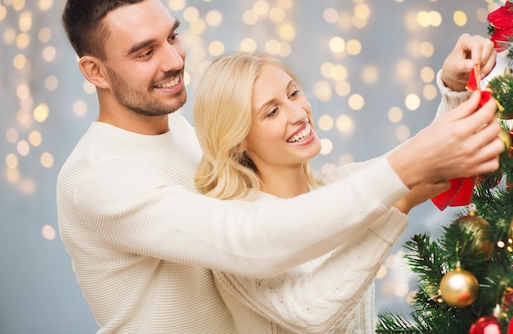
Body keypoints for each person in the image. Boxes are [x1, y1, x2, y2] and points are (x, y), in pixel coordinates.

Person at [56, 0, 503, 334]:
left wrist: (455, 94)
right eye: (144, 52)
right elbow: (249, 241)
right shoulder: (99, 176)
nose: (173, 60)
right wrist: (405, 176)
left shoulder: (177, 127)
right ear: (95, 71)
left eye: (172, 37)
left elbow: (324, 192)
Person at [191, 51, 488, 333]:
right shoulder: (233, 231)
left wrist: (455, 86)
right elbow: (308, 314)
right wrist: (399, 205)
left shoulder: (339, 187)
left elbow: (422, 154)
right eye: (272, 112)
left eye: (293, 93)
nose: (298, 113)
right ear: (237, 139)